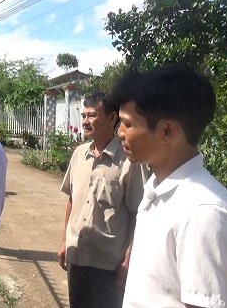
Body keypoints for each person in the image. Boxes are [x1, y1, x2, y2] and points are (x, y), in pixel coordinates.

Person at [111, 63, 227, 307]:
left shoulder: (204, 213)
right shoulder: (158, 187)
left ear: (167, 131)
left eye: (128, 124)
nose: (120, 132)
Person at [58, 92, 149, 308]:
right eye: (84, 115)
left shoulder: (129, 161)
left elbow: (137, 213)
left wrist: (128, 260)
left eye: (92, 115)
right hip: (77, 255)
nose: (85, 121)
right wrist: (64, 242)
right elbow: (72, 199)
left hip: (108, 264)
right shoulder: (79, 154)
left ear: (111, 118)